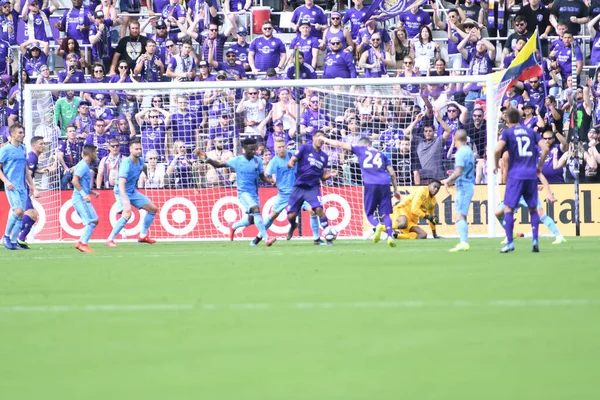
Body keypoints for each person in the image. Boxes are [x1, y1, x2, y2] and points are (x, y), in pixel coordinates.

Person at [321, 136, 401, 247]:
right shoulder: (381, 154)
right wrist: (396, 190)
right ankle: (390, 236)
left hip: (370, 184)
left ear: (361, 144)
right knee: (385, 213)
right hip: (385, 184)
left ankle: (377, 225)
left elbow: (339, 144)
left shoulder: (359, 149)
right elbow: (392, 173)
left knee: (369, 213)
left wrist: (324, 139)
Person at [195, 138, 277, 247]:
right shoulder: (237, 160)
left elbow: (262, 177)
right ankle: (267, 238)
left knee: (252, 220)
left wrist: (270, 180)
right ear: (244, 149)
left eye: (255, 149)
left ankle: (234, 226)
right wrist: (207, 158)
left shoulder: (258, 161)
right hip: (243, 193)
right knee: (256, 210)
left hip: (254, 193)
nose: (254, 151)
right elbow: (219, 164)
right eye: (251, 149)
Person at [494, 108, 549, 253]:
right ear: (520, 118)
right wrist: (539, 166)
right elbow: (545, 148)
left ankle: (510, 243)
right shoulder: (531, 131)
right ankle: (535, 240)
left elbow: (496, 150)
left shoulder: (507, 132)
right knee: (533, 209)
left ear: (507, 120)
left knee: (509, 208)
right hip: (531, 174)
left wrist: (495, 165)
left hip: (515, 175)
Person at [251, 137, 322, 246]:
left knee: (312, 211)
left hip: (299, 191)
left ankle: (317, 239)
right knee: (272, 216)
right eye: (279, 147)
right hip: (284, 194)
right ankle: (258, 237)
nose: (282, 149)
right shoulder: (274, 162)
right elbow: (266, 175)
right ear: (275, 149)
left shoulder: (292, 155)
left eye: (283, 146)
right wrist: (271, 180)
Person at [286, 130, 338, 245]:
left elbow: (323, 177)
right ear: (313, 137)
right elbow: (293, 159)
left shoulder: (324, 156)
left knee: (319, 209)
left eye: (323, 138)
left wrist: (330, 174)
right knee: (291, 215)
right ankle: (293, 225)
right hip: (299, 186)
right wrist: (290, 163)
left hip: (312, 187)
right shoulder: (304, 148)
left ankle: (328, 237)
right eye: (319, 137)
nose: (320, 140)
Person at [105, 140, 160, 246]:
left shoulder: (140, 161)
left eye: (140, 149)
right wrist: (126, 201)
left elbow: (143, 166)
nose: (139, 151)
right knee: (127, 214)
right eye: (136, 149)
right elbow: (121, 184)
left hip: (132, 191)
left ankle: (143, 236)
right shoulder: (126, 164)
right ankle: (109, 239)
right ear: (130, 150)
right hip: (121, 191)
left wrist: (147, 175)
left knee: (153, 209)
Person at [495, 171, 566, 245]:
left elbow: (539, 174)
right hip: (515, 193)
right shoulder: (514, 163)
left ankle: (559, 236)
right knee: (498, 213)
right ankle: (511, 234)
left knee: (540, 214)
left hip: (528, 193)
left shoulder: (528, 162)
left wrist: (549, 193)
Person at [0, 124, 38, 250]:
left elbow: (25, 168)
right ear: (12, 134)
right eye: (20, 132)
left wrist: (32, 185)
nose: (22, 135)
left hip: (22, 187)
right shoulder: (5, 149)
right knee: (18, 211)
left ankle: (13, 241)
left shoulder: (23, 148)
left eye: (23, 132)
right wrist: (6, 181)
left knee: (21, 215)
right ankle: (5, 236)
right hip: (12, 186)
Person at [441, 130, 475, 252]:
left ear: (454, 138)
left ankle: (464, 243)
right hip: (468, 184)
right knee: (462, 215)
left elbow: (459, 172)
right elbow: (462, 171)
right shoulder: (469, 151)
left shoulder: (460, 153)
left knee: (459, 215)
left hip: (464, 187)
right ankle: (464, 241)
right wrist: (454, 174)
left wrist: (448, 180)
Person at [17, 136, 50, 248]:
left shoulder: (33, 157)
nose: (43, 146)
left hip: (23, 187)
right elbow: (27, 175)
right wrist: (33, 188)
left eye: (43, 143)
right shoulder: (32, 158)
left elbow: (29, 170)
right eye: (41, 144)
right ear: (34, 146)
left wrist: (40, 171)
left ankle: (20, 239)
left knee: (32, 215)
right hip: (22, 188)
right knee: (31, 214)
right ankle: (12, 236)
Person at [71, 144, 100, 253]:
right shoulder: (83, 166)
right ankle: (83, 243)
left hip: (81, 197)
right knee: (92, 221)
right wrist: (84, 194)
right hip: (80, 198)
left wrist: (92, 192)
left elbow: (82, 183)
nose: (96, 155)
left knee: (94, 220)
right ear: (90, 153)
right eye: (95, 153)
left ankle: (80, 242)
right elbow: (74, 181)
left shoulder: (84, 165)